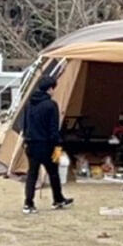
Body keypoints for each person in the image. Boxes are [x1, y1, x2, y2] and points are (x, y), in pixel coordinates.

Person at [19, 77, 73, 214]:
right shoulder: (51, 105)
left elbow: (24, 125)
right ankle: (58, 199)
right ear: (50, 89)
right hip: (48, 146)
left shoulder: (29, 104)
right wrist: (58, 145)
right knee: (54, 173)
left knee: (32, 174)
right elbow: (53, 129)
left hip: (31, 145)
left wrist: (26, 140)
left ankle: (28, 203)